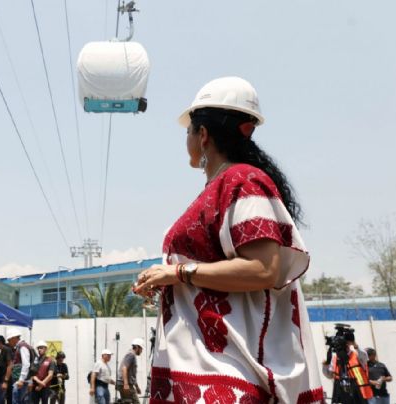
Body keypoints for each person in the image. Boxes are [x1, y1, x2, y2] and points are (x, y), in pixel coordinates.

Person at [133, 76, 324, 403]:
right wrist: (165, 278)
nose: (187, 140)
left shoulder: (243, 181)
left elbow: (262, 269)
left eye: (188, 132)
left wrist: (177, 273)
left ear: (202, 135)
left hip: (229, 373)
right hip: (208, 371)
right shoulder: (226, 186)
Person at [322, 329, 372, 403]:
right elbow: (329, 375)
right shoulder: (335, 358)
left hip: (360, 395)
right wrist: (326, 364)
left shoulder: (357, 354)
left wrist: (353, 343)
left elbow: (364, 356)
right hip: (343, 395)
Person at [7, 329, 32, 404]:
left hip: (21, 382)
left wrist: (21, 379)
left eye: (9, 340)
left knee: (17, 401)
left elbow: (26, 364)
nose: (8, 342)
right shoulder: (20, 347)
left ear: (14, 338)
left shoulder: (22, 347)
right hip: (20, 381)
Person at [116, 339, 143, 404]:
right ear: (137, 347)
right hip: (124, 383)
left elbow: (131, 375)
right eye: (141, 348)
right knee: (136, 402)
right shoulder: (131, 355)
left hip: (123, 383)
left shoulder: (131, 354)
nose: (142, 351)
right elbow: (124, 368)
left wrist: (137, 387)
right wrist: (126, 384)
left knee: (127, 402)